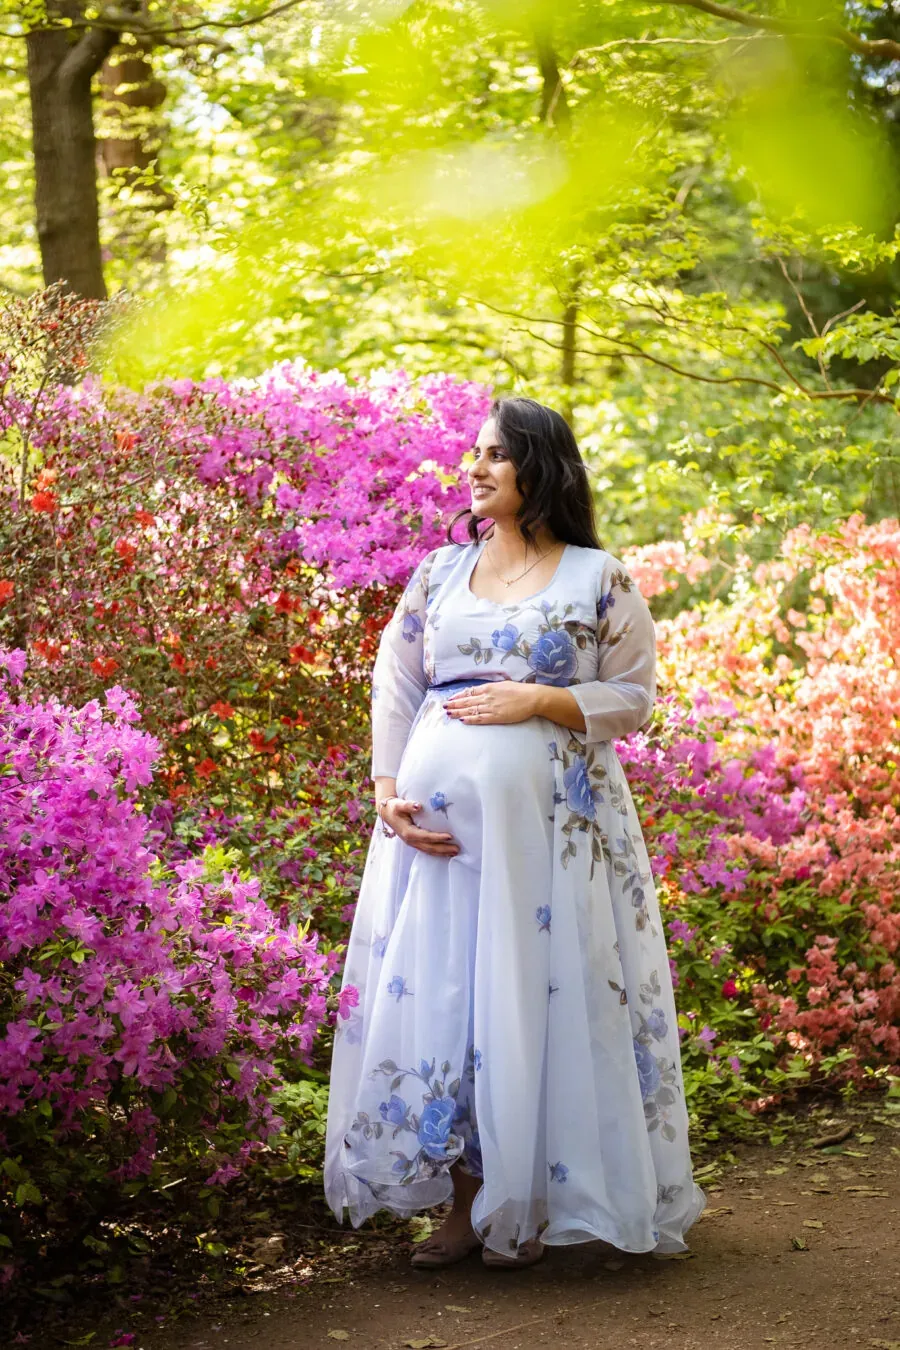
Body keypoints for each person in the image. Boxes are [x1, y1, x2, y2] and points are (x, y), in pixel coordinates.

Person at [323, 395, 706, 1271]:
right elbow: (398, 682)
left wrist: (539, 699)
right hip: (440, 853)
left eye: (499, 453)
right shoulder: (437, 575)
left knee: (539, 1000)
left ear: (540, 466)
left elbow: (635, 697)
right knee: (452, 1002)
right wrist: (387, 788)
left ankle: (532, 1207)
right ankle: (462, 1213)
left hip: (551, 844)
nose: (478, 465)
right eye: (477, 451)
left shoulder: (596, 577)